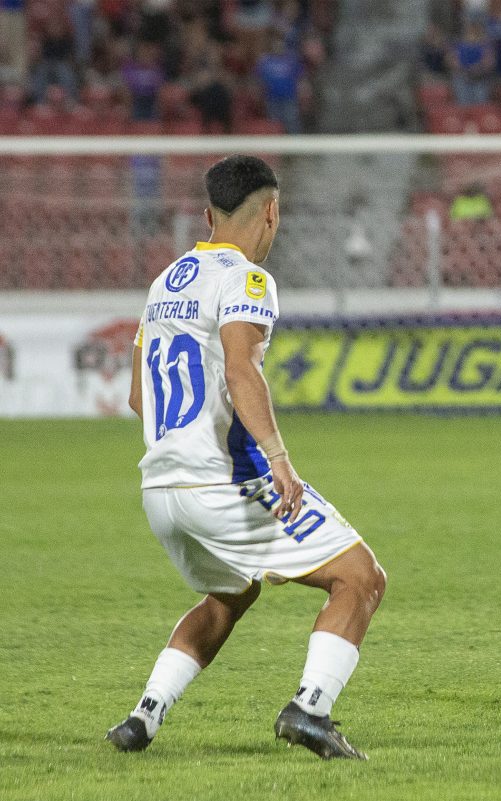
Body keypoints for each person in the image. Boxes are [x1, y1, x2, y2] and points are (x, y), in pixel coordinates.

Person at [106, 155, 387, 759]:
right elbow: (240, 369)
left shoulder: (163, 285)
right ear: (272, 212)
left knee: (231, 594)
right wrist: (278, 457)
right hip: (222, 485)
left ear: (207, 217)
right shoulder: (248, 280)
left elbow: (136, 395)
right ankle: (310, 711)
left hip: (160, 492)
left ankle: (143, 717)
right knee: (359, 577)